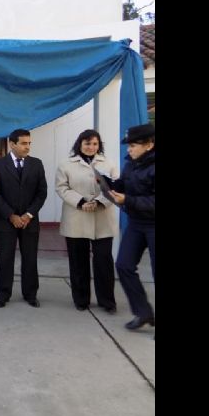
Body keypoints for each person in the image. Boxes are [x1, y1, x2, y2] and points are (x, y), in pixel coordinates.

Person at [55, 129, 119, 312]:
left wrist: (99, 202)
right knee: (78, 262)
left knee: (103, 261)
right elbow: (61, 188)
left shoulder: (108, 163)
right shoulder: (66, 164)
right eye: (87, 143)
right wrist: (81, 202)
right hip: (76, 218)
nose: (91, 147)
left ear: (99, 145)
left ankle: (107, 301)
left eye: (95, 144)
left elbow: (116, 187)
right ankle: (81, 299)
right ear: (79, 144)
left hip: (102, 218)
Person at [0, 128, 47, 308]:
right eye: (23, 143)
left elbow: (41, 193)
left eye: (29, 143)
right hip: (6, 221)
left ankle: (30, 294)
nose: (27, 147)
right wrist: (11, 215)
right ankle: (2, 294)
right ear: (12, 144)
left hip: (29, 221)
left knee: (30, 259)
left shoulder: (36, 164)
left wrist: (29, 214)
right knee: (5, 259)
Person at [106, 124, 155, 331]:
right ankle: (143, 312)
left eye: (134, 145)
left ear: (149, 145)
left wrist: (128, 200)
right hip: (136, 223)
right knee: (124, 265)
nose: (129, 149)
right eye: (129, 145)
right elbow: (124, 185)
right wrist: (107, 184)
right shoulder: (131, 164)